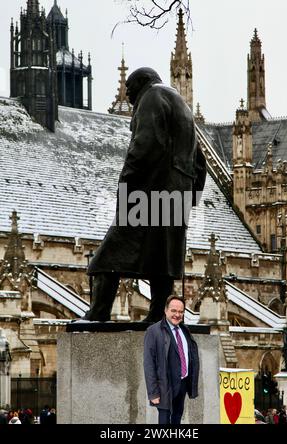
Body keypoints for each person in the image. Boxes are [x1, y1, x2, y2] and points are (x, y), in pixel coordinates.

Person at [82, 67, 206, 323]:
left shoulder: (152, 97)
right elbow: (200, 161)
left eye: (130, 90)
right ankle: (157, 315)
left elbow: (145, 144)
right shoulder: (181, 106)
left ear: (141, 83)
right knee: (162, 262)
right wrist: (189, 198)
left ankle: (98, 313)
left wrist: (126, 183)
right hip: (176, 196)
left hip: (150, 192)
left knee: (107, 257)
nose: (127, 97)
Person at [143, 295, 199, 424]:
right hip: (165, 385)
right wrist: (153, 393)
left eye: (180, 312)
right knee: (164, 421)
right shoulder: (153, 331)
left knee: (177, 418)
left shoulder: (185, 330)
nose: (177, 315)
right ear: (166, 310)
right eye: (174, 311)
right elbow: (148, 364)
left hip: (183, 384)